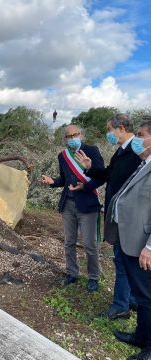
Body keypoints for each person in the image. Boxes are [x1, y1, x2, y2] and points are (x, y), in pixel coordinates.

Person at [74, 114, 141, 319]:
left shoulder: (135, 152)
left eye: (109, 129)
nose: (108, 134)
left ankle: (121, 305)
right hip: (119, 213)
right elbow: (108, 175)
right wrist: (90, 167)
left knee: (123, 261)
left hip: (129, 215)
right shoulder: (121, 151)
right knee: (125, 260)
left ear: (120, 128)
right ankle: (131, 300)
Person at [104, 120, 151, 360]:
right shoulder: (145, 164)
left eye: (142, 135)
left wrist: (150, 247)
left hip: (143, 243)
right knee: (142, 295)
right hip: (129, 237)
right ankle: (140, 335)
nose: (138, 140)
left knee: (148, 294)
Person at [41, 124, 104, 292]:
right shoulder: (63, 156)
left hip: (87, 203)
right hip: (68, 203)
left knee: (90, 244)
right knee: (69, 242)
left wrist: (84, 187)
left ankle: (93, 277)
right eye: (69, 136)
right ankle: (72, 273)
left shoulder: (92, 151)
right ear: (65, 139)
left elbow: (100, 177)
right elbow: (64, 179)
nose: (72, 138)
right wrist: (53, 181)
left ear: (81, 135)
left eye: (75, 135)